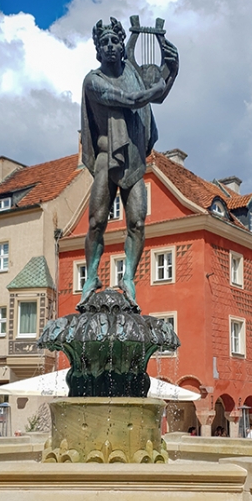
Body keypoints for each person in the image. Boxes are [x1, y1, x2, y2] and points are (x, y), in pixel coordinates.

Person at [79, 17, 179, 309]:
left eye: (115, 41)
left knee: (137, 221)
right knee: (97, 221)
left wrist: (173, 69)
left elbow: (156, 97)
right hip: (105, 156)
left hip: (134, 158)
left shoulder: (132, 72)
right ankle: (91, 277)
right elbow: (130, 99)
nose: (110, 46)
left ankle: (129, 278)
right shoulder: (93, 81)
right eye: (104, 43)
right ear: (98, 50)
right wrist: (158, 87)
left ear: (122, 46)